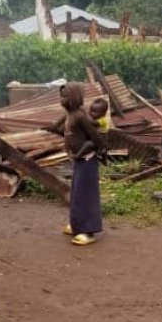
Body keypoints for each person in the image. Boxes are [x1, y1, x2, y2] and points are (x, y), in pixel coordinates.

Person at [56, 81, 105, 246]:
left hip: (87, 160)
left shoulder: (81, 116)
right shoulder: (70, 115)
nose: (62, 98)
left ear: (74, 97)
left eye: (65, 95)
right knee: (76, 195)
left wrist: (100, 148)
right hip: (78, 160)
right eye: (61, 95)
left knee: (86, 197)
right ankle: (77, 225)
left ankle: (89, 231)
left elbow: (95, 136)